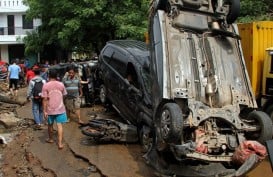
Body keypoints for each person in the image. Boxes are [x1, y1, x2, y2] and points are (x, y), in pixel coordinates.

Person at [42, 69, 67, 150]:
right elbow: (64, 95)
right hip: (60, 108)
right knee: (59, 125)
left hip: (50, 109)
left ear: (48, 75)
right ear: (57, 76)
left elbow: (44, 99)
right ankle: (60, 143)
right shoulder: (61, 84)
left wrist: (44, 111)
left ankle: (51, 139)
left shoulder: (46, 85)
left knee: (50, 125)